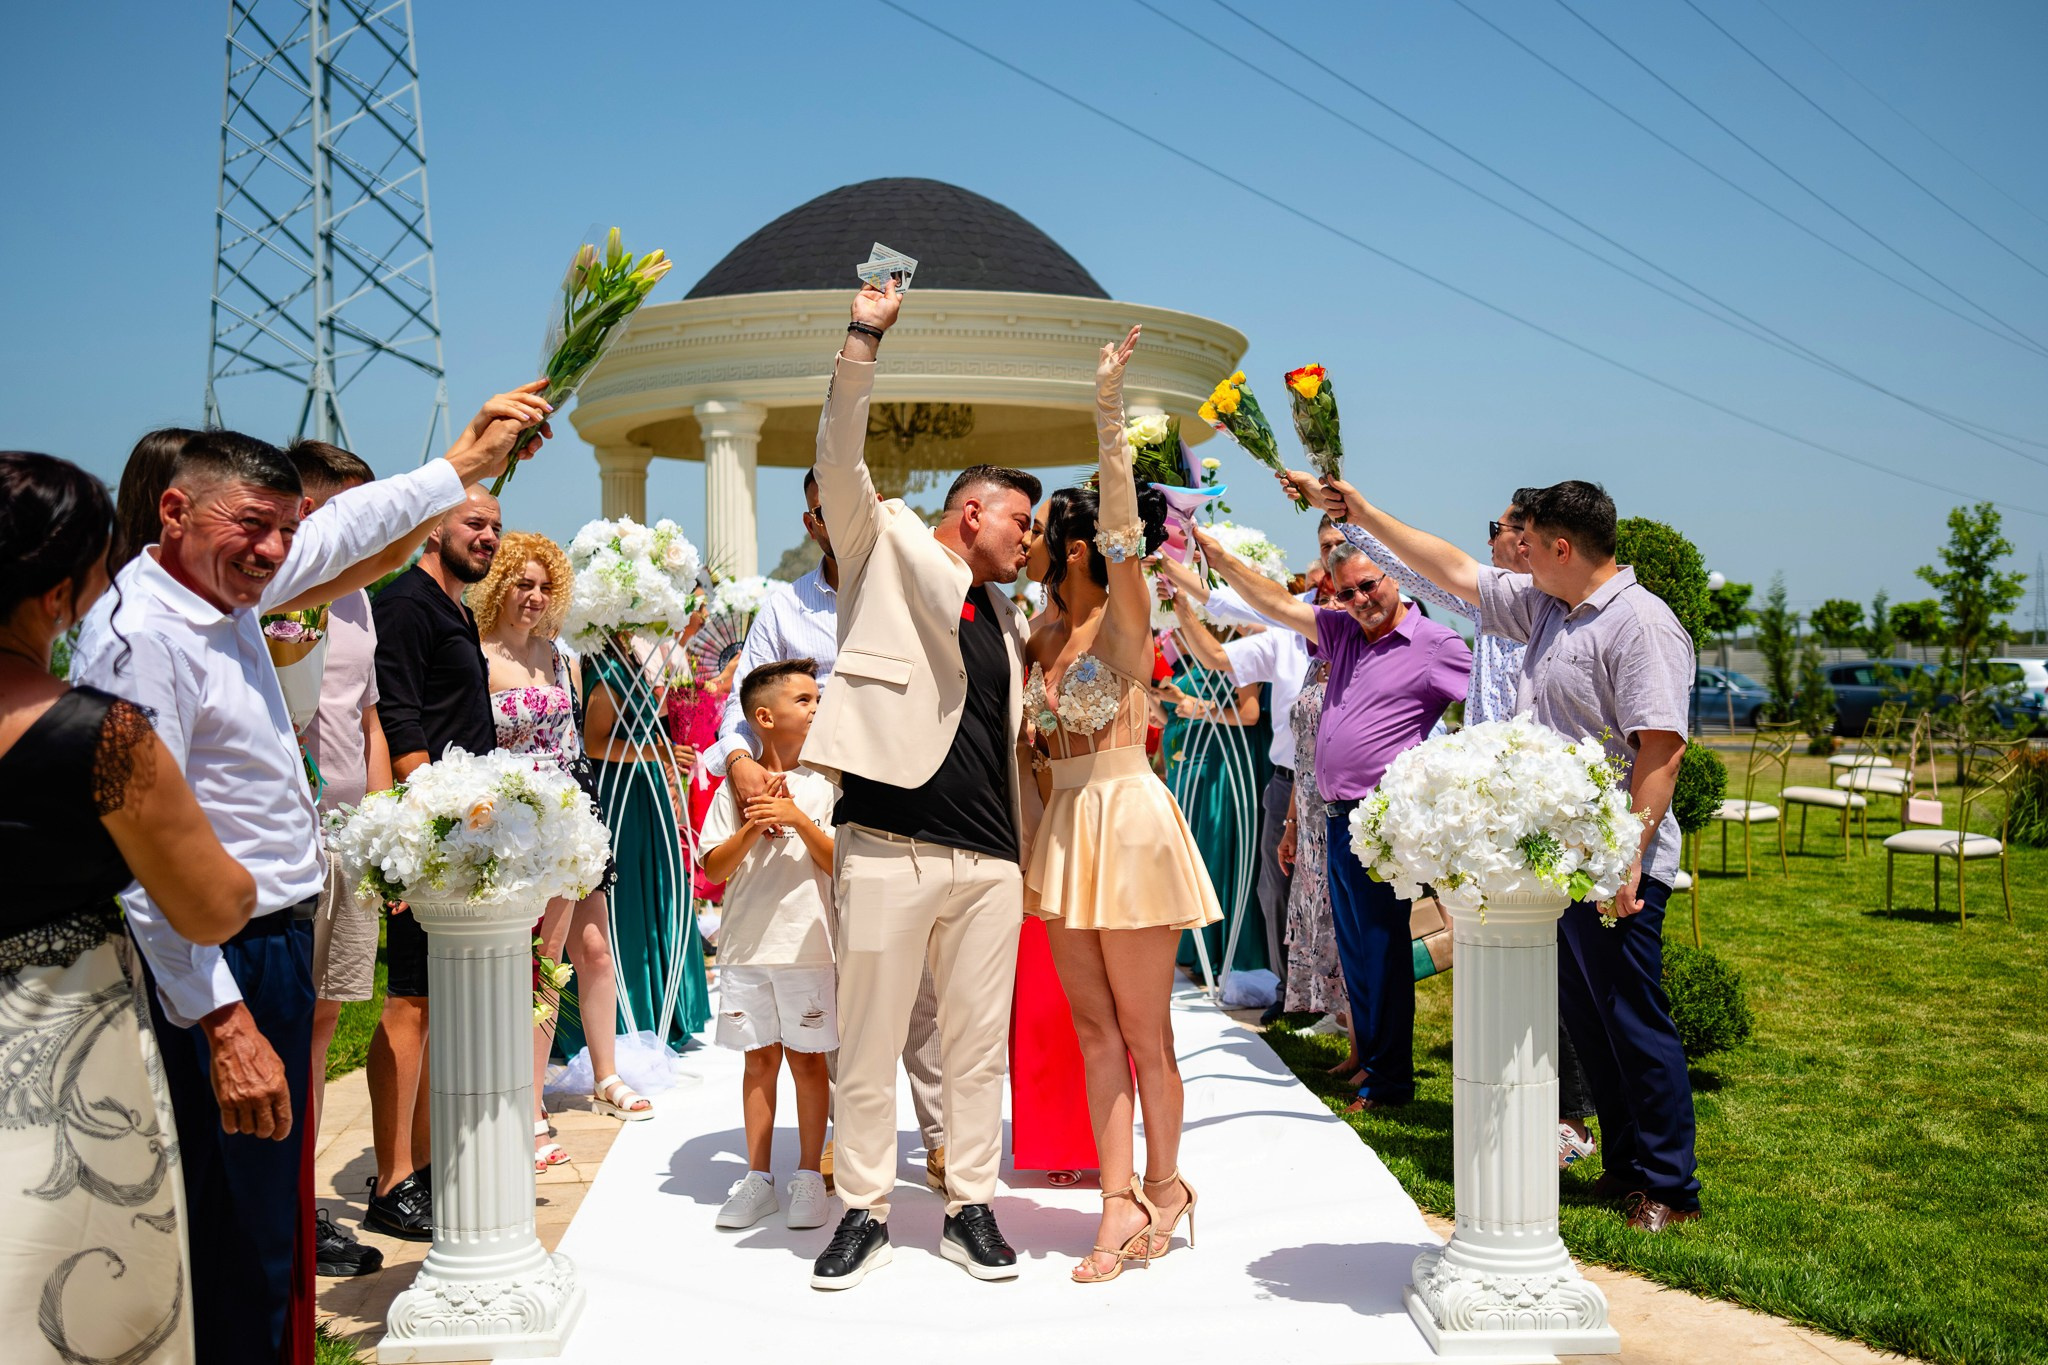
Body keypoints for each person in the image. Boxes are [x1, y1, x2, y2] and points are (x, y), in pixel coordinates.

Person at [71, 388, 549, 1364]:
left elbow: (346, 535)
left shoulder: (226, 584)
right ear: (174, 513)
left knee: (271, 1224)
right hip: (219, 959)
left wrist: (464, 463)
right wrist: (220, 1017)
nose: (273, 551)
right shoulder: (141, 637)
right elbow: (136, 858)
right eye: (251, 525)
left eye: (282, 531)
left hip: (273, 935)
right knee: (238, 1231)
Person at [1290, 470, 1700, 1231]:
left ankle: (1673, 1188)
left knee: (1633, 1019)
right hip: (1559, 865)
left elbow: (1662, 750)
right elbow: (1453, 570)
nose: (1514, 555)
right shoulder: (1551, 605)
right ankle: (1624, 1168)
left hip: (1615, 866)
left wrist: (1628, 858)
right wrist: (1365, 511)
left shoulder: (1639, 624)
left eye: (1527, 544)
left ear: (1563, 546)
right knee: (1589, 1020)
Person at [801, 280, 1036, 1290]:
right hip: (887, 843)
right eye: (1019, 523)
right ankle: (860, 1207)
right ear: (971, 512)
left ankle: (968, 1204)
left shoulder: (1007, 619)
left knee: (977, 1050)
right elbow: (835, 456)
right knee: (869, 1040)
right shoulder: (884, 543)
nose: (1027, 539)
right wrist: (862, 337)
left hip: (989, 864)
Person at [0, 451, 257, 1365]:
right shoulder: (101, 733)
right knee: (72, 1282)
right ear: (65, 588)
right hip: (64, 1041)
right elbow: (212, 904)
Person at [1019, 325, 1223, 1284]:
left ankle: (1167, 1182)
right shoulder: (1039, 630)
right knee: (1093, 1031)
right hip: (1063, 832)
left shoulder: (1128, 610)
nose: (1043, 538)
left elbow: (1125, 526)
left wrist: (1108, 408)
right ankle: (1115, 1200)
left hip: (1127, 823)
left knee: (1146, 1033)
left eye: (1052, 526)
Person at [1336, 492, 1600, 1166]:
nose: (1490, 542)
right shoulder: (1497, 607)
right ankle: (1512, 1096)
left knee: (1556, 966)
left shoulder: (1548, 614)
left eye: (1503, 529)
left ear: (1533, 539)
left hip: (1533, 809)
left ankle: (1571, 1115)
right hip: (1490, 816)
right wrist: (1345, 514)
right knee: (1502, 965)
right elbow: (1420, 573)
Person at [712, 469, 949, 1193]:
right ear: (813, 521)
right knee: (842, 974)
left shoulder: (909, 583)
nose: (843, 519)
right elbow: (743, 698)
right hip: (817, 788)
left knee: (918, 980)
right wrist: (740, 761)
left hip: (905, 787)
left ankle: (942, 1139)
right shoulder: (787, 604)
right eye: (828, 511)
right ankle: (847, 1138)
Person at [1193, 527, 1470, 1115]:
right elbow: (1276, 603)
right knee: (1355, 954)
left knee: (1380, 953)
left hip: (1381, 822)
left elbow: (1490, 705)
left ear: (1398, 578)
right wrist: (1220, 561)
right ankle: (1371, 1059)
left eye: (1368, 585)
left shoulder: (1437, 645)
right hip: (1335, 819)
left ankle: (1390, 1080)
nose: (1360, 599)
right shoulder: (1343, 633)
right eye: (1346, 592)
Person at [470, 532, 652, 1172]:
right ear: (499, 586)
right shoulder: (478, 654)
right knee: (541, 962)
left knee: (595, 951)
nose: (535, 596)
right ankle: (530, 1101)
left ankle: (604, 1074)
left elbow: (577, 745)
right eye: (522, 583)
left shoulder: (563, 656)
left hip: (574, 812)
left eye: (545, 586)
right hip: (515, 822)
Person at [365, 484, 505, 1239]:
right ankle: (391, 1178)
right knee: (409, 1000)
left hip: (466, 829)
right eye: (473, 523)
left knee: (437, 1001)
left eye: (494, 527)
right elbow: (399, 712)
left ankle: (420, 1165)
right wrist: (423, 832)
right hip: (431, 829)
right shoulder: (405, 602)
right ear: (434, 527)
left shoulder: (452, 605)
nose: (487, 536)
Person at [284, 439, 389, 1279]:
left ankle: (305, 1198)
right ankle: (278, 1199)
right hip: (285, 838)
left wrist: (383, 827)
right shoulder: (275, 593)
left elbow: (367, 721)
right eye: (357, 510)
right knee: (282, 1020)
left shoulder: (357, 599)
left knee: (324, 1023)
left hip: (350, 838)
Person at [698, 659, 837, 1233]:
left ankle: (809, 1174)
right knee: (759, 1061)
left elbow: (840, 861)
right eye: (804, 700)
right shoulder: (738, 786)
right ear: (764, 717)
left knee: (808, 1061)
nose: (815, 707)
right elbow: (712, 865)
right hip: (747, 949)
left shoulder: (829, 784)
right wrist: (754, 824)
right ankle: (758, 1178)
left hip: (809, 946)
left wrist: (796, 818)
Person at [571, 618, 712, 1057]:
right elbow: (595, 744)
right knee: (629, 897)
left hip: (643, 791)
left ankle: (661, 1011)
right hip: (621, 797)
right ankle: (629, 1014)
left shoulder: (629, 659)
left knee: (659, 891)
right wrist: (658, 752)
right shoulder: (608, 670)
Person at [1156, 594, 1267, 978]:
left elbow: (1249, 714)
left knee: (1221, 851)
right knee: (1200, 854)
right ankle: (1199, 948)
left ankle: (1227, 950)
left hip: (1225, 764)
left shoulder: (1242, 655)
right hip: (1194, 765)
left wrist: (1192, 705)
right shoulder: (1194, 662)